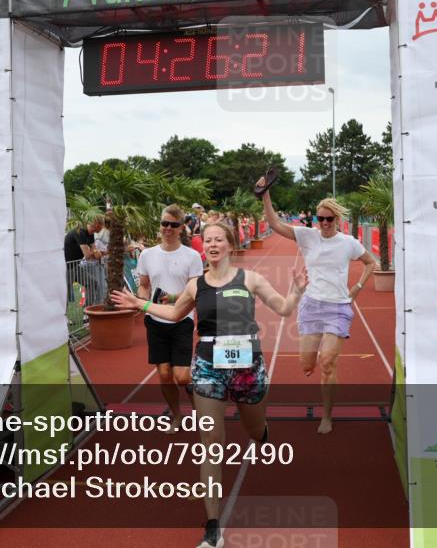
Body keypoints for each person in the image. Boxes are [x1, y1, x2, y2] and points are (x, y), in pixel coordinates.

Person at [111, 221, 307, 548]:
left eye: (218, 239)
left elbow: (284, 309)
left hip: (246, 364)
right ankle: (213, 527)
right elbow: (174, 314)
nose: (213, 244)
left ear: (230, 244)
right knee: (211, 442)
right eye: (208, 240)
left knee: (254, 430)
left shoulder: (250, 279)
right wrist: (139, 304)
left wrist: (297, 290)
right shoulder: (195, 285)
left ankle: (262, 432)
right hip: (207, 365)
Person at [258, 181, 377, 434]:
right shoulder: (307, 236)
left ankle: (327, 416)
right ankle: (311, 365)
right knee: (306, 364)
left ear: (337, 219)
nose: (324, 223)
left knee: (328, 362)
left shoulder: (349, 243)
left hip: (338, 307)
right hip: (311, 305)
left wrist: (357, 288)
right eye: (320, 218)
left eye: (329, 219)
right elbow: (275, 224)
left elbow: (371, 263)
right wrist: (265, 194)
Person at [137, 205, 204, 432]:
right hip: (155, 321)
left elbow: (195, 291)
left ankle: (200, 412)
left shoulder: (192, 256)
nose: (168, 228)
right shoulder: (147, 255)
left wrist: (176, 300)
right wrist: (142, 301)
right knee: (165, 375)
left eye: (173, 225)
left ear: (182, 228)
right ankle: (176, 415)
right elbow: (144, 285)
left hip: (182, 320)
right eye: (164, 223)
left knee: (182, 376)